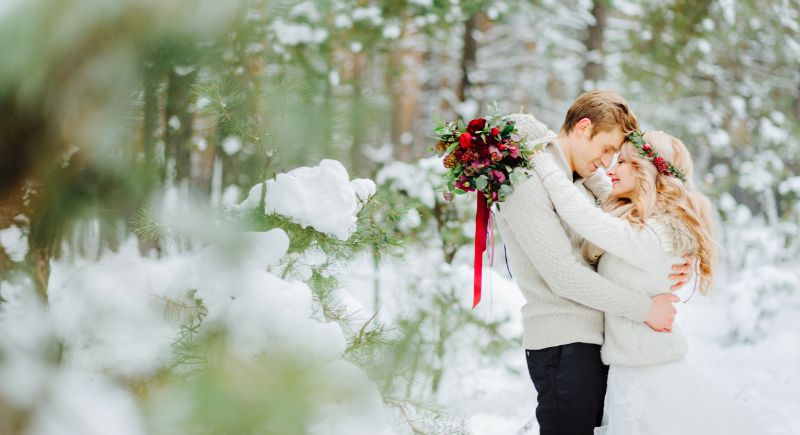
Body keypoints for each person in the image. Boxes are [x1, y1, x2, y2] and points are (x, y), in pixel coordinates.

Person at [530, 130, 764, 434]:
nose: (611, 169)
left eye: (624, 162)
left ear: (648, 170)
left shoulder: (657, 234)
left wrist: (544, 165)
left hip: (649, 375)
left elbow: (585, 218)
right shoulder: (646, 223)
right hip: (630, 370)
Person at [494, 90, 692, 435]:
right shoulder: (525, 179)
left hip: (596, 342)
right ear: (583, 128)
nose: (608, 162)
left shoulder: (580, 180)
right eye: (606, 150)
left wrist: (674, 260)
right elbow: (564, 276)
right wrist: (645, 309)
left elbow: (637, 224)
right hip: (563, 343)